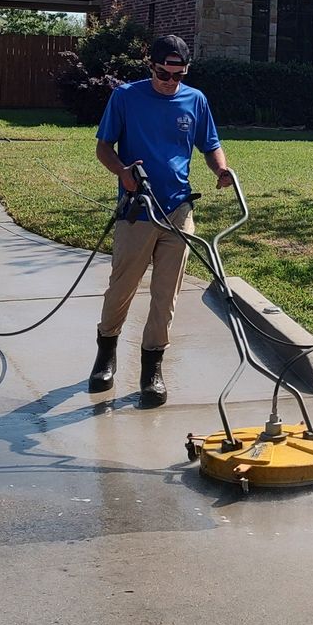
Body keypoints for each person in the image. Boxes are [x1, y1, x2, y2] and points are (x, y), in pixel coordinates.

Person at [91, 33, 232, 406]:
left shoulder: (195, 100)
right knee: (122, 286)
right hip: (138, 208)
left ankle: (151, 368)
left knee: (165, 295)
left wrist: (221, 168)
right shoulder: (126, 97)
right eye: (163, 74)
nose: (170, 82)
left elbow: (210, 143)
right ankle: (106, 354)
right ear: (150, 66)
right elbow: (103, 146)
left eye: (178, 75)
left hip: (178, 209)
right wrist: (122, 172)